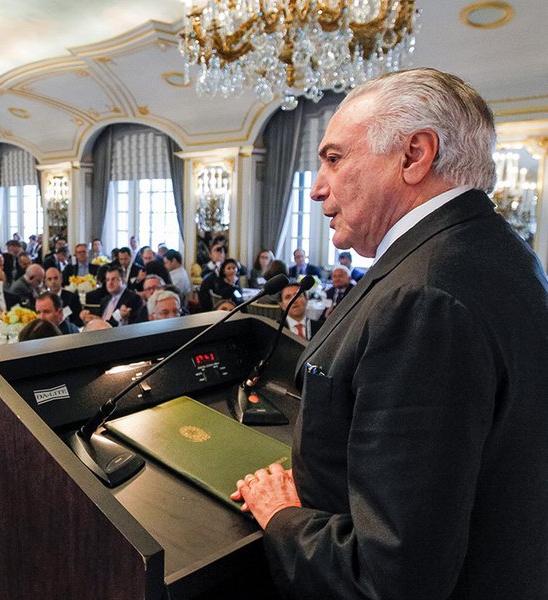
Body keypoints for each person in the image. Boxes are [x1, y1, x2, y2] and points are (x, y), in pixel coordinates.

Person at [232, 68, 548, 599]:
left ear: (413, 155)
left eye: (334, 158)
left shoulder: (424, 298)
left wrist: (285, 516)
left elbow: (391, 576)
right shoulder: (498, 250)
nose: (316, 187)